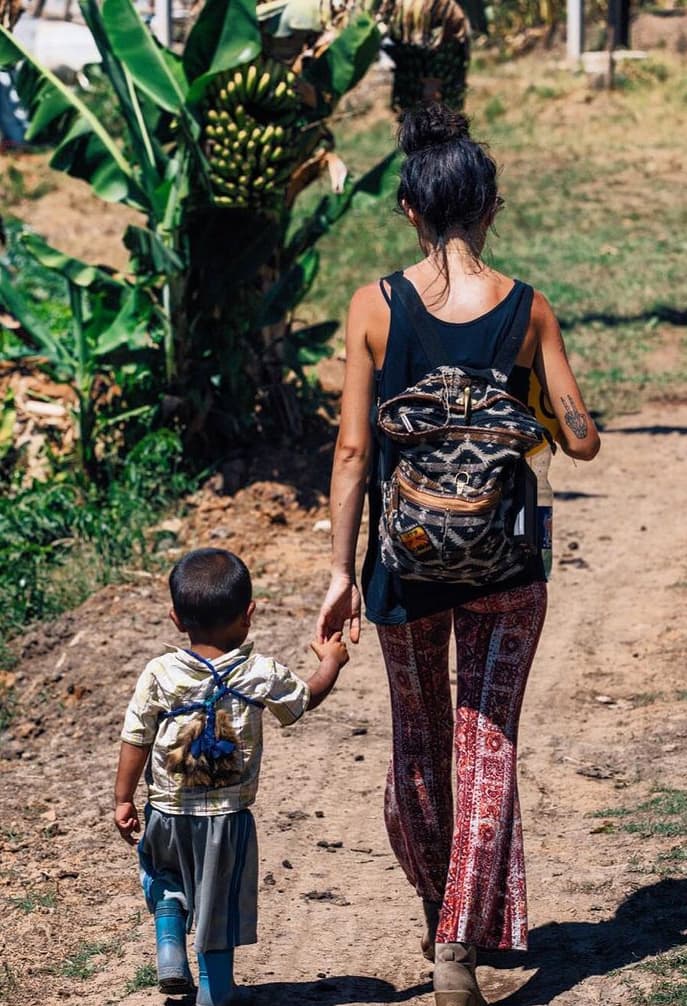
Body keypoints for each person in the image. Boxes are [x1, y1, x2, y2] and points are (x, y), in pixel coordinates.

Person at [316, 103, 600, 1006]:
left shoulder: (374, 306)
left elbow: (353, 451)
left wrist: (339, 573)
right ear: (490, 207)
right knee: (487, 744)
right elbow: (581, 439)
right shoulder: (528, 309)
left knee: (418, 742)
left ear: (409, 209)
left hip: (402, 563)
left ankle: (438, 907)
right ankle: (456, 943)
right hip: (506, 565)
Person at [114, 547, 349, 1006]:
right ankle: (216, 990)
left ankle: (170, 950)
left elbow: (135, 737)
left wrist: (123, 798)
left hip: (166, 812)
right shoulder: (259, 672)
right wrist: (331, 662)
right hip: (226, 819)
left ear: (176, 618)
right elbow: (303, 700)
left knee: (165, 875)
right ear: (249, 614)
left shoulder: (159, 673)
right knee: (217, 902)